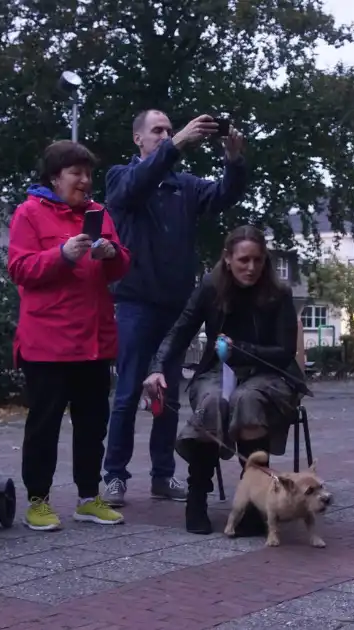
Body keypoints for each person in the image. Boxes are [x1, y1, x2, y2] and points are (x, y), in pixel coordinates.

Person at [102, 110, 248, 507]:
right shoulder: (121, 177)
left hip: (174, 306)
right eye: (158, 131)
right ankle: (114, 475)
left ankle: (162, 476)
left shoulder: (184, 186)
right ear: (139, 139)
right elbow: (133, 187)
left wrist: (233, 161)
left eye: (169, 130)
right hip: (133, 302)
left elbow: (223, 195)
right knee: (129, 390)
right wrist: (178, 143)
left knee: (167, 395)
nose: (166, 135)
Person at [142, 226, 304, 535]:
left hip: (270, 374)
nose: (252, 268)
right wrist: (157, 367)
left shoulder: (279, 292)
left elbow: (285, 352)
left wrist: (242, 349)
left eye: (258, 260)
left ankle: (257, 504)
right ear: (227, 258)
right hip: (218, 371)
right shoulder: (209, 287)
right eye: (244, 260)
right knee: (212, 401)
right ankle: (196, 499)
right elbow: (180, 331)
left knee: (248, 399)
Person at [7, 140, 131, 532]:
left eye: (88, 173)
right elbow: (20, 268)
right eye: (76, 173)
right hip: (47, 342)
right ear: (55, 177)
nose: (85, 180)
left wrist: (113, 254)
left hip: (93, 340)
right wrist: (61, 254)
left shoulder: (98, 213)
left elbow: (121, 266)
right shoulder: (29, 213)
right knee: (44, 425)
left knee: (93, 424)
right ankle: (38, 500)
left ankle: (87, 497)